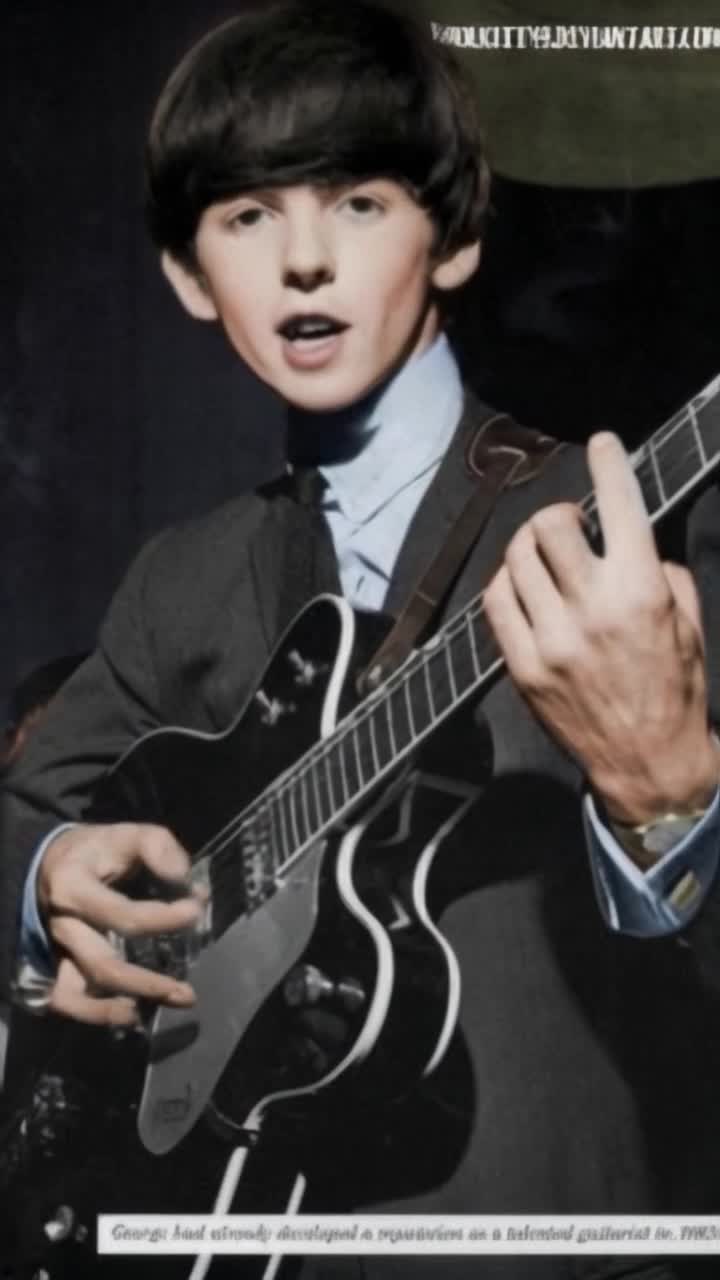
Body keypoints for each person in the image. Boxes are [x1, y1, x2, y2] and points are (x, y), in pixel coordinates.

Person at [2, 3, 720, 1278]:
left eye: (359, 202)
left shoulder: (640, 525)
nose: (303, 261)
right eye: (246, 216)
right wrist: (47, 873)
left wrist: (675, 799)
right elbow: (22, 818)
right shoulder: (185, 579)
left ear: (455, 238)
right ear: (185, 275)